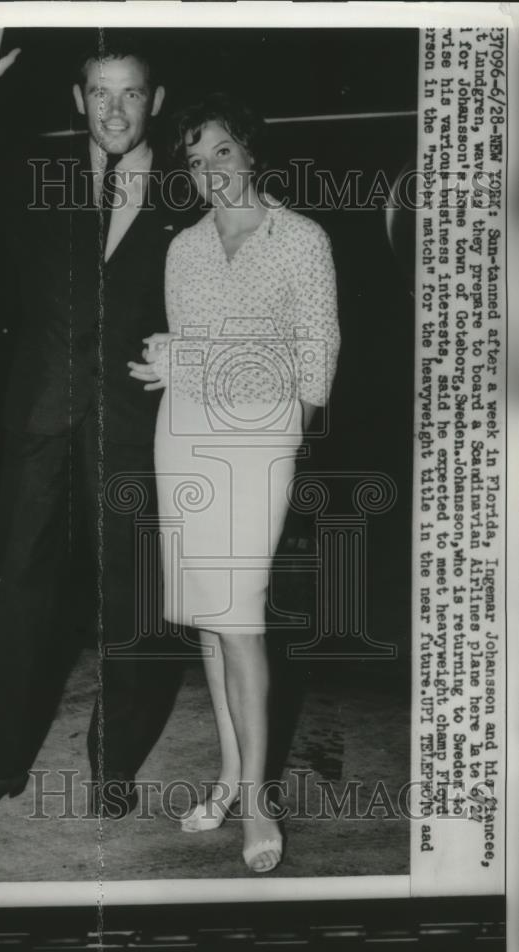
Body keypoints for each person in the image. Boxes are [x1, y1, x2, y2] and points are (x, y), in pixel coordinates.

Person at [0, 28, 196, 823]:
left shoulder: (189, 192)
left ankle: (115, 764)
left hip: (139, 426)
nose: (115, 109)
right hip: (39, 418)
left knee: (136, 602)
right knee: (17, 598)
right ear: (79, 101)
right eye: (100, 92)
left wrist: (197, 355)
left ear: (156, 102)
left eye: (131, 92)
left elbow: (246, 293)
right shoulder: (37, 178)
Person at [128, 95, 340, 872]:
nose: (210, 170)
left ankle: (256, 802)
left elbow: (313, 365)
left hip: (261, 440)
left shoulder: (302, 240)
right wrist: (169, 359)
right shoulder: (182, 248)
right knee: (211, 623)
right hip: (184, 434)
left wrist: (201, 369)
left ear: (250, 154)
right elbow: (187, 348)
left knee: (240, 615)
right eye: (194, 159)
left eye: (222, 151)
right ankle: (229, 775)